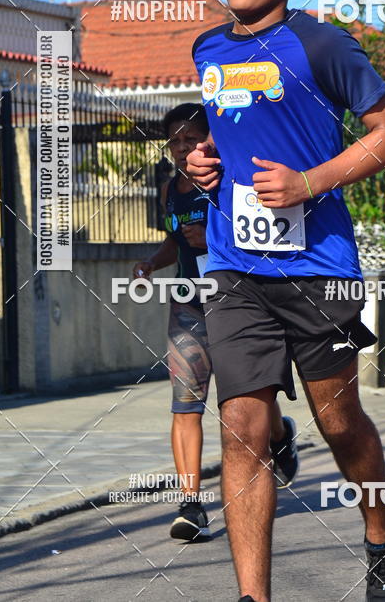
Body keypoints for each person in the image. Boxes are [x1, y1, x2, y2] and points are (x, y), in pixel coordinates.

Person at [187, 0, 385, 601]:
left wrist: (309, 182)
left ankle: (380, 526)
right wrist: (201, 164)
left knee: (340, 423)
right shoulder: (207, 51)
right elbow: (227, 134)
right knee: (241, 430)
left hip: (322, 270)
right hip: (235, 269)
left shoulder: (322, 46)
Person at [133, 102, 299, 543]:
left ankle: (280, 436)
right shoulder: (171, 189)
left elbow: (262, 231)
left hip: (238, 300)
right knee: (185, 401)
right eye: (175, 141)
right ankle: (191, 505)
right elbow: (174, 239)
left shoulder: (230, 179)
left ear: (210, 140)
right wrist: (152, 261)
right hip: (190, 299)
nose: (183, 148)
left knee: (245, 397)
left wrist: (212, 236)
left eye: (191, 139)